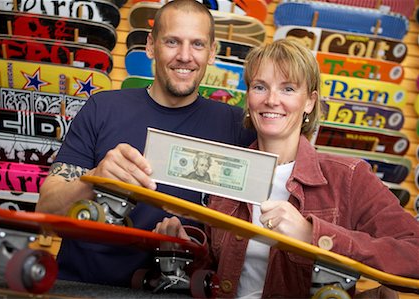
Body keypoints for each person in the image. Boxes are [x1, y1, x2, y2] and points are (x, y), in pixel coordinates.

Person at [154, 39, 419, 298]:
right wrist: (182, 248)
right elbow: (217, 269)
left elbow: (414, 255)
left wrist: (313, 235)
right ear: (249, 97)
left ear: (309, 102)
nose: (271, 100)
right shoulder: (227, 167)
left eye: (288, 89)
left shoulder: (347, 177)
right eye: (260, 87)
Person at [36, 0, 255, 287]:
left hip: (174, 290)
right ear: (151, 46)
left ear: (212, 52)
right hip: (81, 287)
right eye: (172, 41)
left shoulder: (238, 127)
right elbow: (46, 213)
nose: (185, 56)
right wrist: (94, 180)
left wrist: (198, 248)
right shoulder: (102, 108)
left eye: (198, 44)